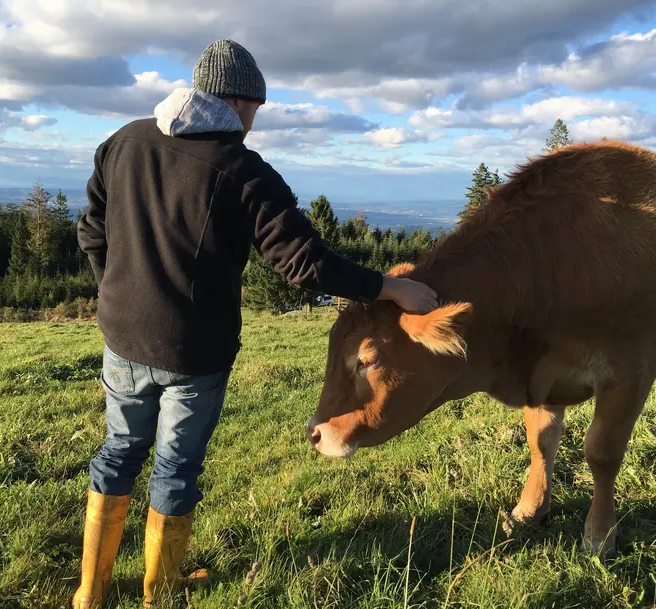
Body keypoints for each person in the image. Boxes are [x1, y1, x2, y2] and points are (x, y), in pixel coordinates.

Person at [72, 39, 438, 608]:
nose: (253, 124)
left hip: (121, 336)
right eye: (257, 111)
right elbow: (304, 264)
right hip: (194, 354)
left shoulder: (122, 143)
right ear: (240, 102)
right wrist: (393, 287)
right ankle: (158, 593)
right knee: (174, 467)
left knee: (119, 450)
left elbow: (92, 231)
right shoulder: (244, 172)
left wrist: (115, 290)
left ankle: (89, 595)